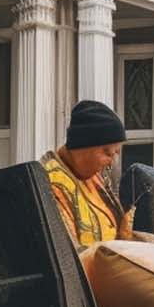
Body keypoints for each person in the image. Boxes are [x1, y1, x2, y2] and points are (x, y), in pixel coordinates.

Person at [42, 100, 134, 249]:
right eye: (107, 153)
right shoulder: (51, 185)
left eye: (116, 153)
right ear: (82, 146)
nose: (111, 163)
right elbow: (69, 256)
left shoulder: (92, 177)